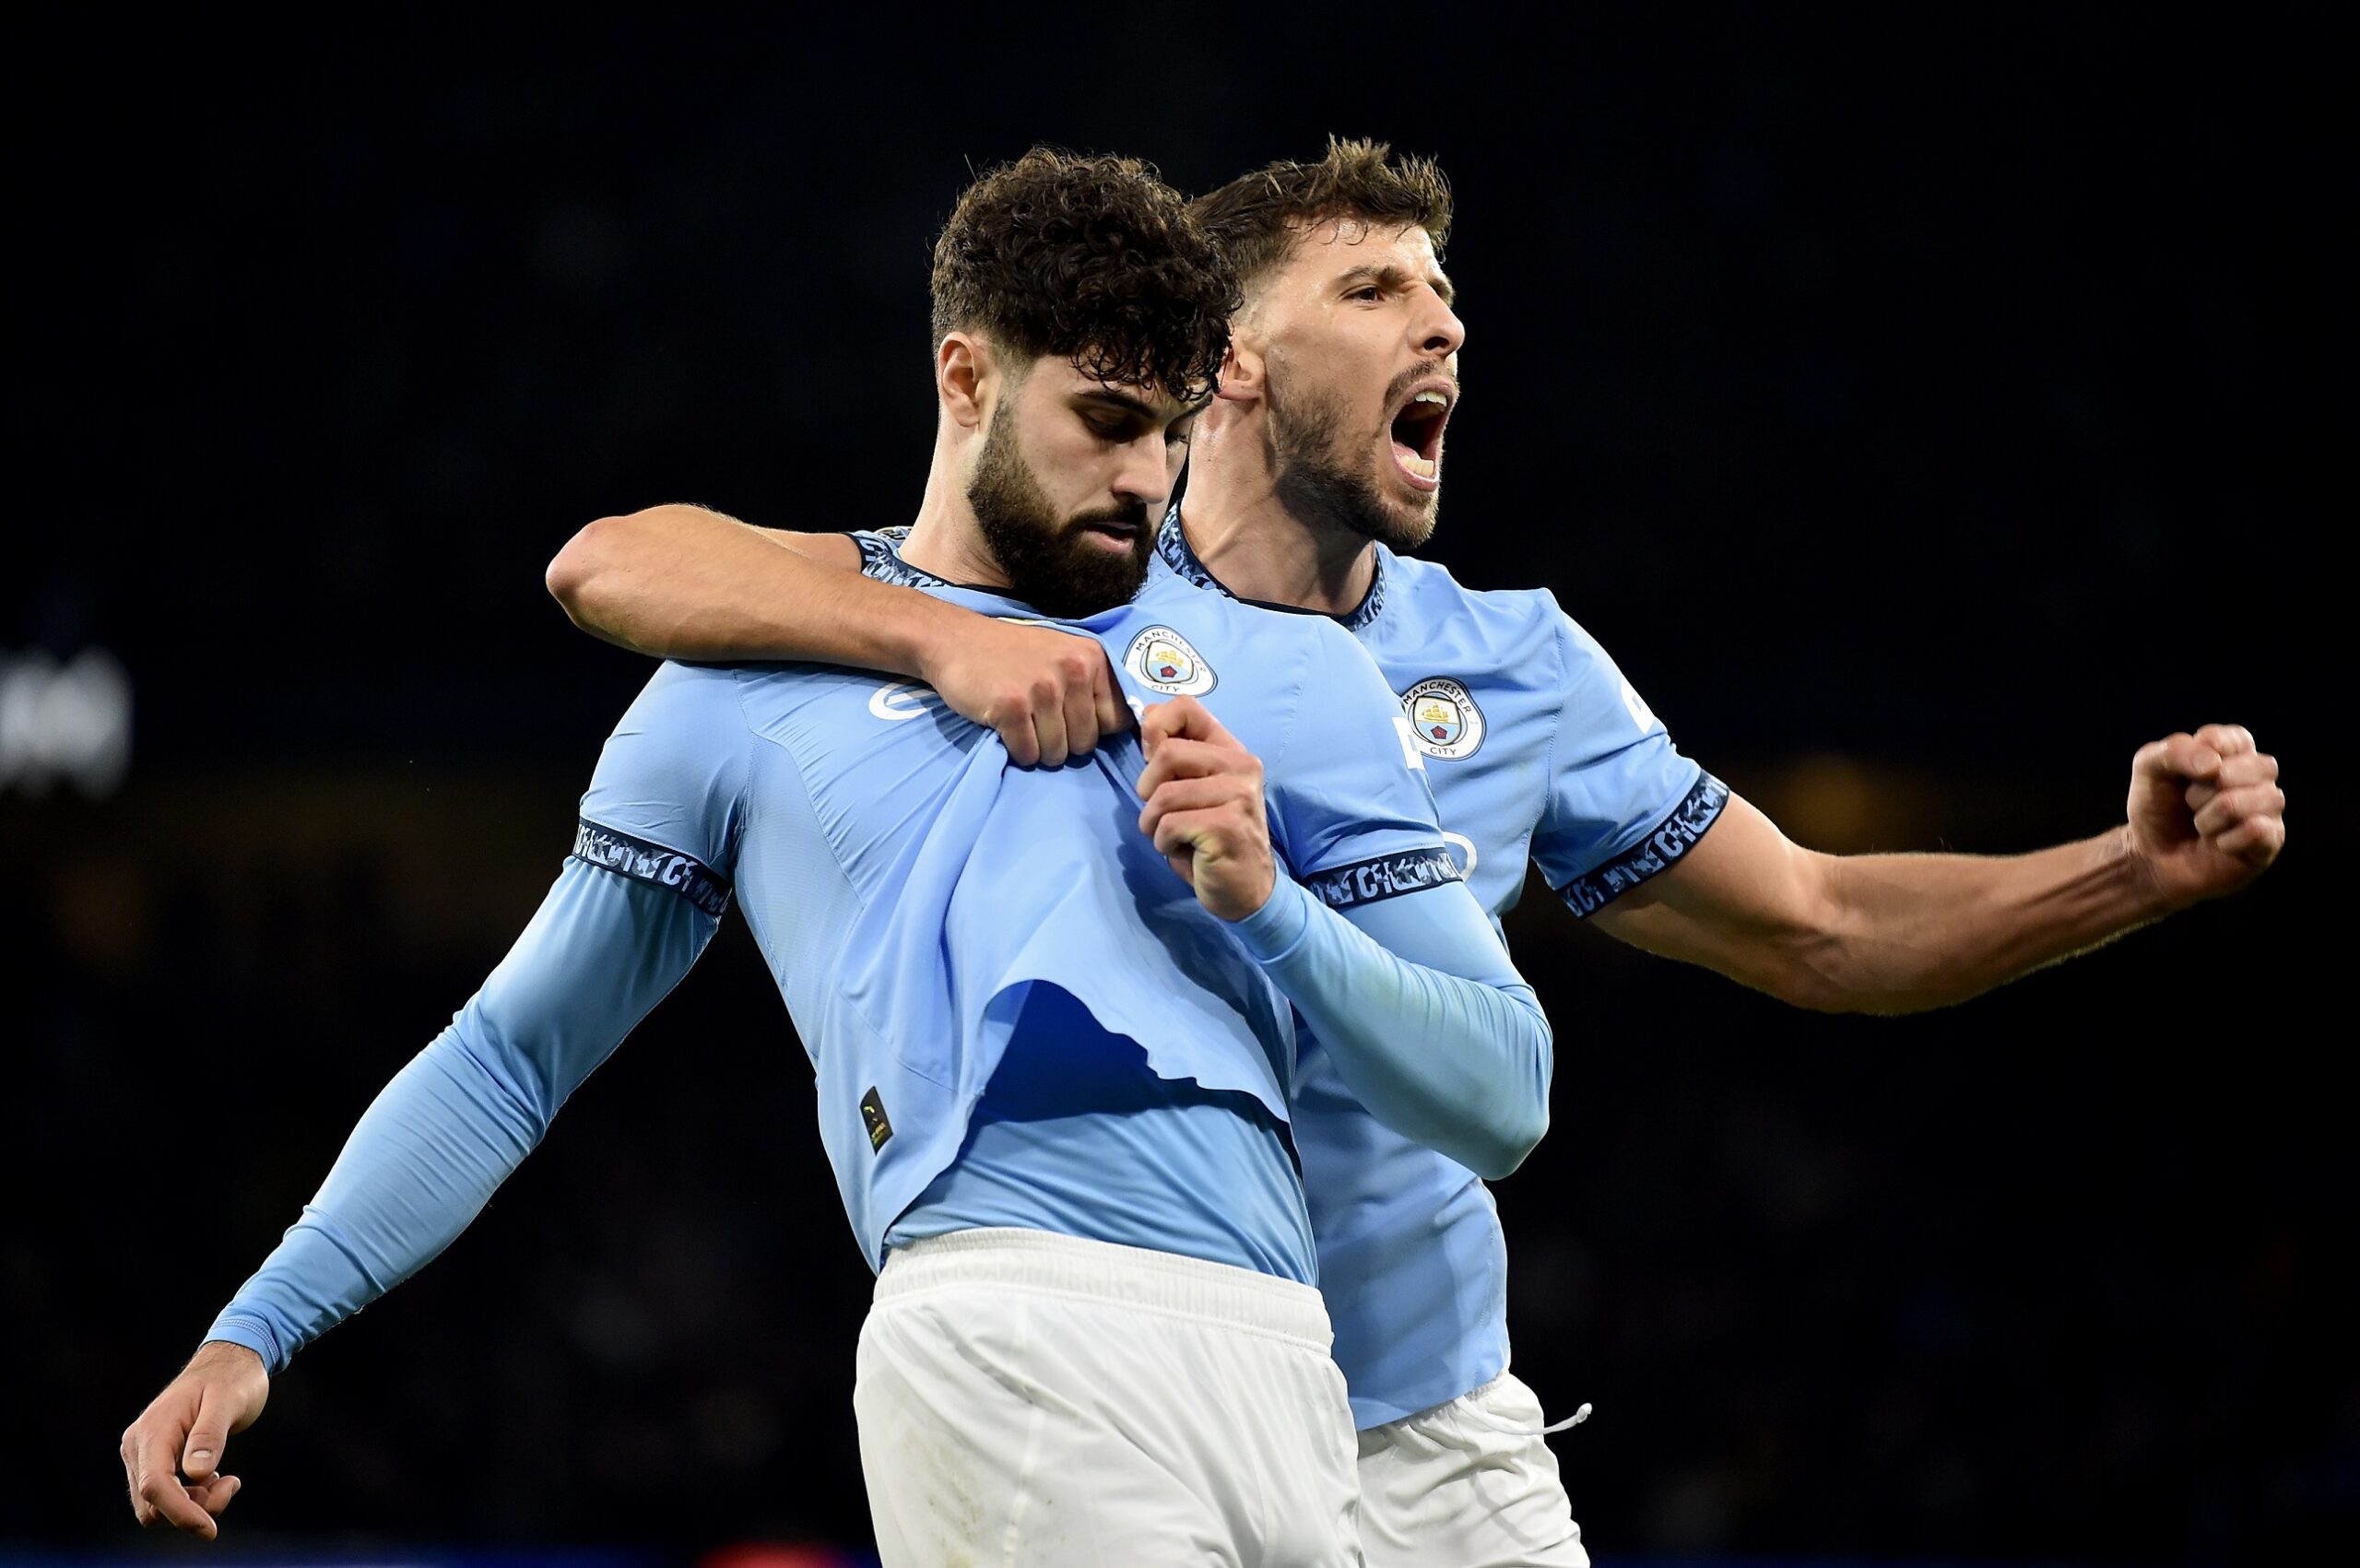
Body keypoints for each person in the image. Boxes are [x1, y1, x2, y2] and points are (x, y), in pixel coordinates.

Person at [544, 137, 2289, 1567]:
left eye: (1449, 294)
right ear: (1225, 353)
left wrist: (2126, 876)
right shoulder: (1053, 585)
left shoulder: (1519, 662)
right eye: (1375, 289)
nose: (1441, 326)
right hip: (1128, 1400)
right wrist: (937, 643)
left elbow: (1820, 919)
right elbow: (632, 562)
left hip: (1437, 1442)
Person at [120, 148, 1561, 1567]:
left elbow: (1503, 1095)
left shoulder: (1292, 682)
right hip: (1010, 1329)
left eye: (1170, 432)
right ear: (966, 377)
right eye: (1104, 419)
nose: (1143, 479)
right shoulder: (746, 689)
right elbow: (512, 1052)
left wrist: (1271, 912)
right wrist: (262, 1321)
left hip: (1287, 1364)